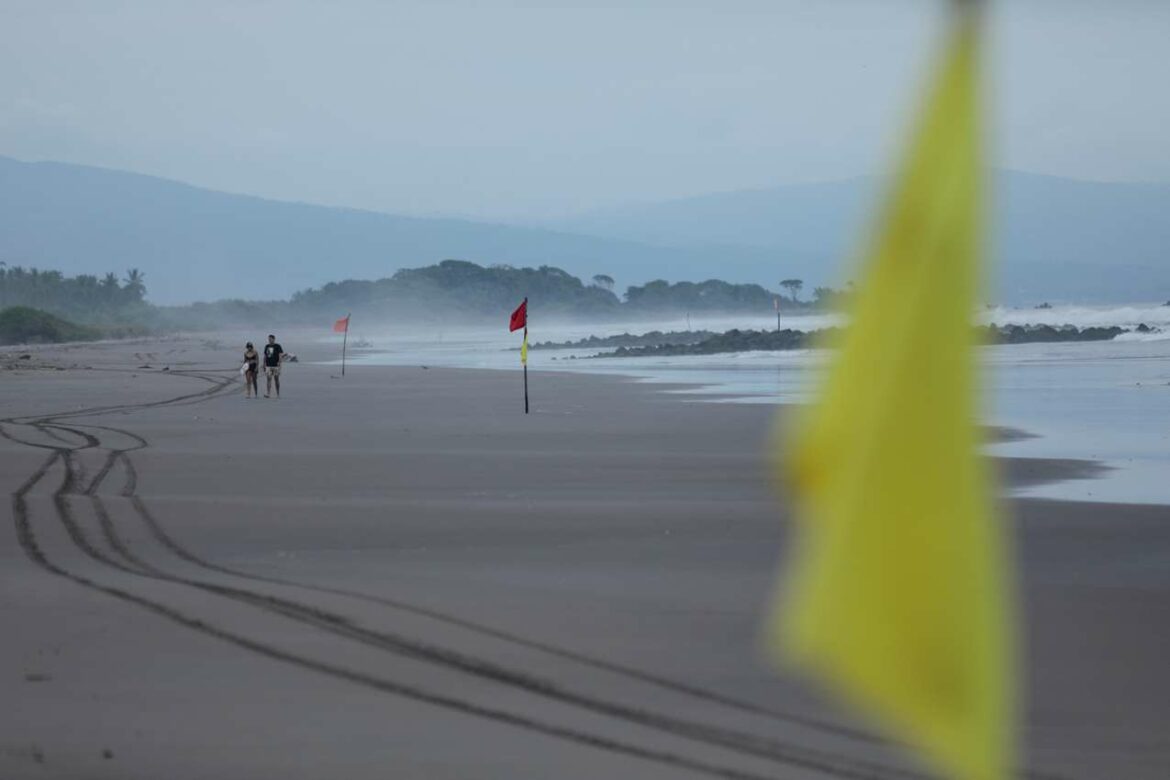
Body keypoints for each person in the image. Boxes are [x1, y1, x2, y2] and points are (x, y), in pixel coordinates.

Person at [263, 334, 285, 398]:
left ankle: (278, 393)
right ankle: (268, 393)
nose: (269, 340)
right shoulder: (267, 346)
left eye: (270, 339)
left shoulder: (277, 346)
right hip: (268, 365)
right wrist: (264, 363)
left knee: (276, 379)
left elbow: (280, 355)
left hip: (275, 365)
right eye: (269, 339)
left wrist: (279, 362)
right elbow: (265, 355)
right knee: (269, 379)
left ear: (273, 339)